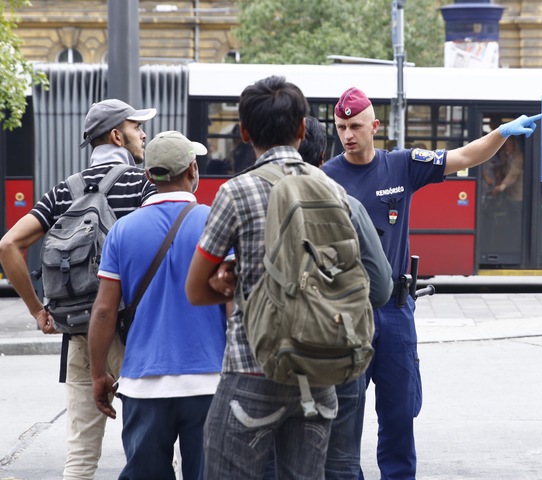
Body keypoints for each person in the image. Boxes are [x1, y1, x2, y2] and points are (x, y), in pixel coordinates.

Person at [322, 87, 542, 480]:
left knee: (399, 413)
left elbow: (465, 156)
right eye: (341, 127)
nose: (348, 135)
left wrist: (502, 133)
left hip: (394, 312)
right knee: (343, 420)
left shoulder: (402, 165)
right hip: (347, 314)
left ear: (375, 126)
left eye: (355, 126)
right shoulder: (326, 177)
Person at [185, 76, 344, 480]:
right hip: (319, 370)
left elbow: (195, 290)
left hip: (252, 369)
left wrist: (235, 282)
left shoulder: (237, 191)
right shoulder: (333, 190)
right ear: (303, 129)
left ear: (244, 131)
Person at [0, 98, 157, 479]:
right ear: (118, 135)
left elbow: (7, 246)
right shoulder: (141, 184)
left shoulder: (62, 191)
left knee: (81, 456)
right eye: (137, 127)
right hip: (132, 331)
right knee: (152, 452)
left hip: (79, 333)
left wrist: (39, 310)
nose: (143, 134)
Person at [88, 130, 229, 479]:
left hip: (143, 385)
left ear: (149, 175)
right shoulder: (215, 222)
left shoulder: (123, 230)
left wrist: (98, 374)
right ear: (193, 170)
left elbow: (104, 311)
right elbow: (233, 304)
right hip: (209, 382)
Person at [261, 116, 393, 480]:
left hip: (278, 353)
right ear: (322, 157)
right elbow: (381, 289)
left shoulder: (259, 201)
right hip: (339, 348)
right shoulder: (348, 204)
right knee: (341, 462)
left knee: (277, 461)